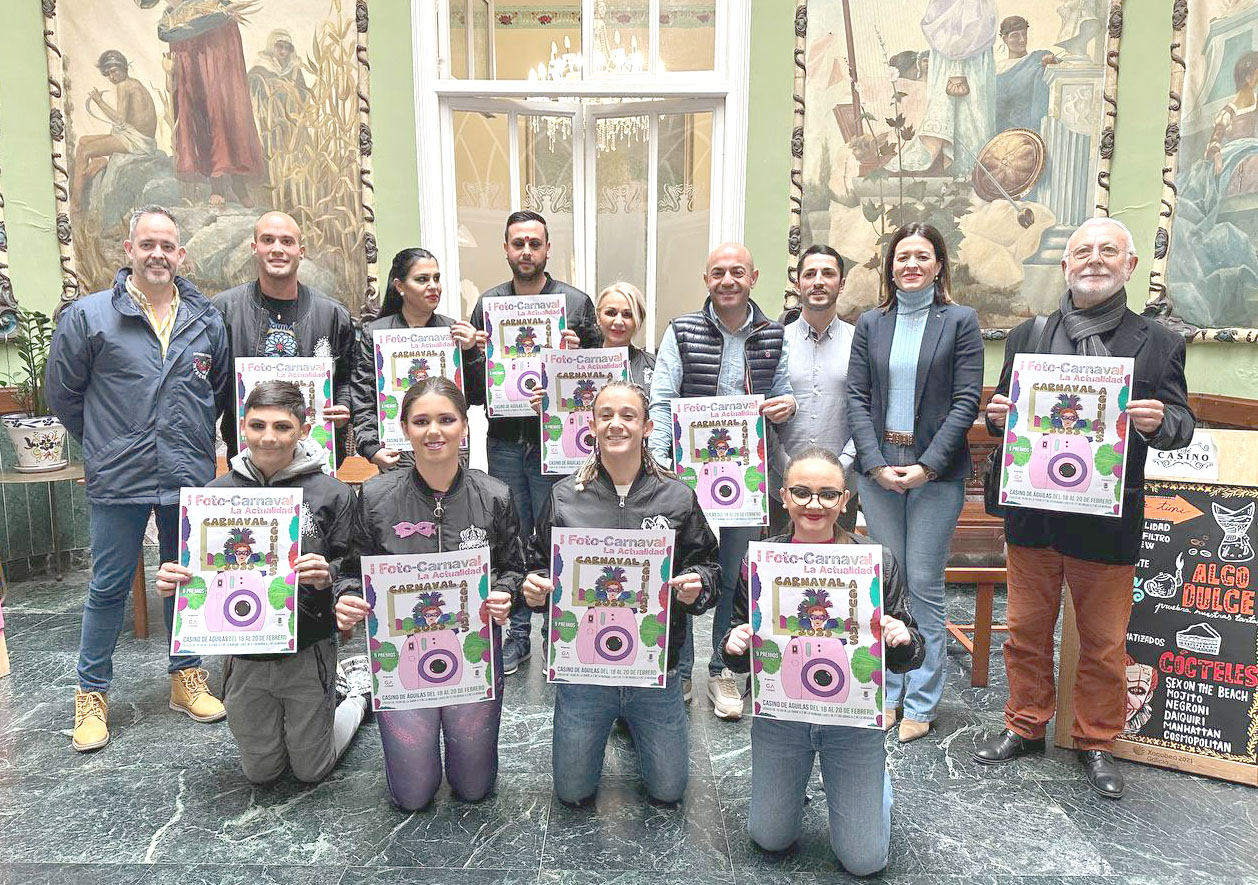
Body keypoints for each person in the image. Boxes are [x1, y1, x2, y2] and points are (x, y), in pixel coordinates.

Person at [973, 217, 1195, 799]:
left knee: (1102, 642)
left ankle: (1097, 741)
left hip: (1107, 519)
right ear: (1066, 266)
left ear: (1129, 265)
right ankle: (1023, 725)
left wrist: (1159, 421)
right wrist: (999, 418)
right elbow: (1007, 416)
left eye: (1107, 252)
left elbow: (1182, 424)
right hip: (1035, 516)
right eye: (1082, 253)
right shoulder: (1028, 335)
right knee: (1024, 633)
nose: (1093, 261)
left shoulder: (1160, 341)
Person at [45, 204, 232, 751]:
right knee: (106, 588)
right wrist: (105, 442)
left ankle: (185, 676)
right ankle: (92, 693)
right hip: (118, 476)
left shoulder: (206, 321)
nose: (157, 254)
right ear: (128, 251)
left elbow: (218, 392)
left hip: (186, 472)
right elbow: (64, 395)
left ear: (181, 254)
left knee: (184, 581)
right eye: (147, 244)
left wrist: (195, 443)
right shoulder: (88, 317)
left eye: (167, 245)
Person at [152, 381, 370, 783]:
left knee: (311, 770)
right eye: (257, 425)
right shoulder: (214, 494)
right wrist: (176, 579)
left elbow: (354, 565)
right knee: (261, 773)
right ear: (242, 429)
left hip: (307, 645)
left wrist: (330, 575)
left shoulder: (331, 493)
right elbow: (196, 566)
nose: (268, 437)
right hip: (243, 652)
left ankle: (355, 695)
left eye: (282, 427)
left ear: (303, 430)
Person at [721, 447, 924, 875]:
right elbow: (739, 648)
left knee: (864, 861)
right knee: (769, 839)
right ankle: (800, 787)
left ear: (845, 501)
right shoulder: (757, 561)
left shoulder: (876, 560)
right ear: (783, 497)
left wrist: (901, 638)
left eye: (828, 495)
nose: (815, 505)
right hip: (782, 716)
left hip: (851, 719)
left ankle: (874, 786)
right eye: (802, 493)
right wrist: (734, 644)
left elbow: (910, 655)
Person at [522, 381, 719, 804]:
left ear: (647, 427)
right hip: (583, 672)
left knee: (669, 792)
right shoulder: (563, 496)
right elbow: (534, 563)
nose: (616, 424)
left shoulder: (677, 496)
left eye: (628, 416)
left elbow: (709, 564)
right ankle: (611, 720)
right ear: (590, 424)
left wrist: (697, 584)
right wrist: (534, 587)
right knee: (573, 793)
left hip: (656, 669)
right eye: (606, 415)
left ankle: (632, 722)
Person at [335, 377, 522, 810]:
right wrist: (346, 599)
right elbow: (349, 571)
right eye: (421, 421)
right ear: (404, 428)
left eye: (446, 419)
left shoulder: (495, 495)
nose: (434, 431)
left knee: (475, 789)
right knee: (413, 796)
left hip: (473, 653)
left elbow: (515, 566)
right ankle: (365, 701)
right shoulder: (373, 497)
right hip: (401, 657)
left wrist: (504, 592)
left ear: (465, 428)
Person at [846, 222, 983, 743]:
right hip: (878, 469)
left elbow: (966, 400)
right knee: (884, 585)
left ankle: (921, 699)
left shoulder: (960, 321)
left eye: (922, 257)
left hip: (936, 472)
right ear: (891, 266)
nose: (912, 265)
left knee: (923, 587)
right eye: (903, 257)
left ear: (939, 265)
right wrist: (876, 462)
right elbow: (857, 397)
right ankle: (888, 691)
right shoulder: (870, 323)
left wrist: (925, 465)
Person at [648, 242, 796, 717]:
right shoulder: (682, 329)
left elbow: (785, 393)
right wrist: (660, 467)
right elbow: (663, 398)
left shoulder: (774, 334)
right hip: (687, 481)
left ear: (754, 277)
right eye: (717, 273)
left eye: (737, 272)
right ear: (706, 279)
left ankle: (722, 673)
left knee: (733, 576)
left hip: (746, 482)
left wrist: (784, 405)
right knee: (683, 574)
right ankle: (680, 670)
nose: (727, 280)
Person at [468, 210, 601, 674]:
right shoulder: (487, 305)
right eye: (517, 243)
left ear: (548, 250)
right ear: (506, 250)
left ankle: (559, 635)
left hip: (559, 444)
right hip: (505, 439)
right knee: (512, 536)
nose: (526, 251)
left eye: (535, 243)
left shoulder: (576, 303)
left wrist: (577, 355)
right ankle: (518, 634)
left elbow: (600, 381)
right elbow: (471, 388)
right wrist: (476, 354)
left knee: (558, 535)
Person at [213, 211, 356, 463]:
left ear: (300, 251)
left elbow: (347, 379)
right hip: (248, 461)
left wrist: (344, 406)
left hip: (313, 458)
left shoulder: (333, 315)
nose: (277, 249)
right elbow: (212, 386)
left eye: (286, 241)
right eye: (268, 240)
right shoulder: (224, 310)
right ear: (254, 248)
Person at [351, 248, 483, 471]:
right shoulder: (374, 334)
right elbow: (363, 397)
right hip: (395, 452)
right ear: (400, 286)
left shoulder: (455, 332)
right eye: (422, 279)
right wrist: (371, 448)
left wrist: (471, 352)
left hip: (447, 449)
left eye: (436, 278)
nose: (433, 286)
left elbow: (478, 396)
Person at [770, 245, 857, 535]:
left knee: (836, 577)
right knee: (778, 575)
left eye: (828, 273)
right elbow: (760, 410)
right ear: (798, 283)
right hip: (780, 489)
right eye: (810, 274)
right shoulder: (773, 342)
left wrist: (841, 469)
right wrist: (786, 470)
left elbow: (869, 411)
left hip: (840, 490)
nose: (818, 281)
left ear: (841, 283)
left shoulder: (861, 343)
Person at [157, 0, 264, 207]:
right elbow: (165, 32)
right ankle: (217, 183)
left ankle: (236, 182)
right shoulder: (174, 13)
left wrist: (192, 21)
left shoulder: (214, 5)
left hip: (218, 55)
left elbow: (221, 16)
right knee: (200, 114)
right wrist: (183, 23)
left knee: (225, 113)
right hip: (192, 60)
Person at [72, 51, 161, 212]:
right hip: (133, 134)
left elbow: (119, 119)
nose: (111, 77)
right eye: (108, 74)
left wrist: (99, 101)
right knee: (84, 140)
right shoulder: (134, 82)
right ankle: (98, 165)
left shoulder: (124, 85)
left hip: (138, 140)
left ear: (123, 67)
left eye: (114, 71)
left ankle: (76, 203)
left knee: (84, 151)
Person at [994, 16, 1059, 133]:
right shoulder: (997, 69)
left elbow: (1062, 67)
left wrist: (1052, 62)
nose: (1022, 39)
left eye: (1024, 34)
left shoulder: (1037, 58)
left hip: (1030, 128)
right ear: (1004, 39)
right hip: (1003, 131)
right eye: (1015, 36)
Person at [594, 281, 656, 388]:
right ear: (598, 317)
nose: (618, 322)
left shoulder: (655, 367)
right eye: (611, 313)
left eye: (627, 314)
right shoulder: (579, 362)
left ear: (639, 321)